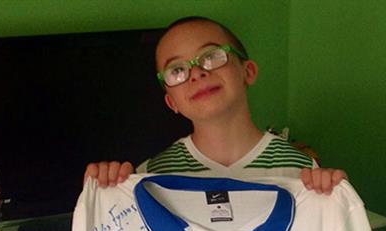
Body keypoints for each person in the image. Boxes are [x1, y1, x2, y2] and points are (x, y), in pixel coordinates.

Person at [84, 16, 347, 194]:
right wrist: (104, 189)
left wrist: (333, 196)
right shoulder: (148, 178)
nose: (197, 73)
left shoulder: (302, 171)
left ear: (248, 71)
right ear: (171, 102)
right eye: (177, 70)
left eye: (211, 56)